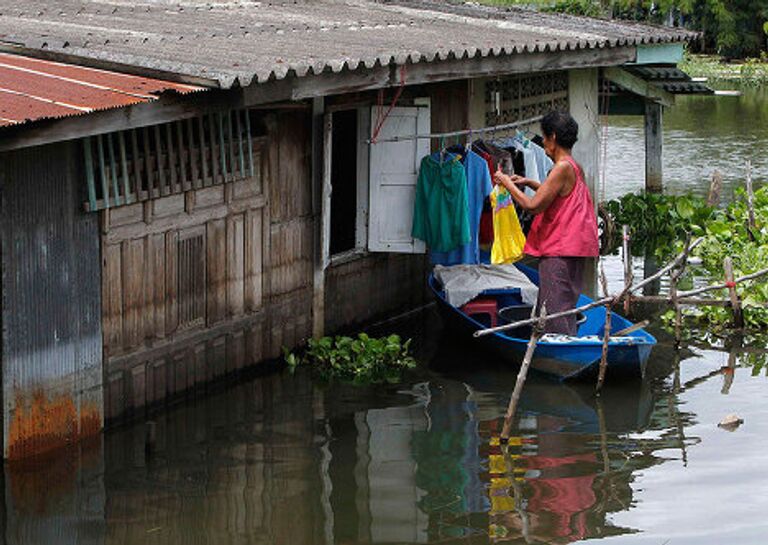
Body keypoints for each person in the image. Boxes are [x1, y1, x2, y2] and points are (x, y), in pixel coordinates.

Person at [493, 111, 599, 335]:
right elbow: (557, 196)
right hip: (572, 250)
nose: (542, 144)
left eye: (544, 138)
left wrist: (506, 183)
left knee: (554, 312)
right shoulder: (572, 165)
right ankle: (563, 346)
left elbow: (533, 206)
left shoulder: (561, 168)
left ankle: (561, 357)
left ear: (552, 137)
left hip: (559, 251)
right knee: (563, 305)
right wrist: (528, 181)